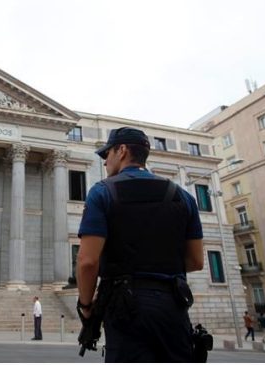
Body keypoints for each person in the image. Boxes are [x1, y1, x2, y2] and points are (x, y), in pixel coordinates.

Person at [76, 127, 204, 362]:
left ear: (122, 151)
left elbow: (87, 261)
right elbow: (196, 261)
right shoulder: (183, 196)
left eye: (108, 155)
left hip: (124, 307)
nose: (105, 163)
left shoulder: (102, 192)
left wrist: (86, 306)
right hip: (173, 305)